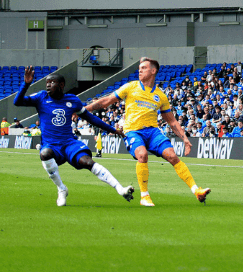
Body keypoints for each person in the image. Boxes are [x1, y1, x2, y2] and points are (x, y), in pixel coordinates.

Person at [83, 57, 209, 207]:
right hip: (133, 132)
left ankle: (196, 191)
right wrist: (85, 109)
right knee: (142, 155)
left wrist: (185, 138)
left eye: (143, 68)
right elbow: (108, 100)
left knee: (172, 156)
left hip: (153, 132)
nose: (140, 70)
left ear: (153, 71)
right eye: (139, 68)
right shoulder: (131, 87)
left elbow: (172, 121)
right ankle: (144, 196)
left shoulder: (160, 96)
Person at [14, 66, 133, 206]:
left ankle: (120, 189)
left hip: (69, 143)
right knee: (45, 154)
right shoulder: (41, 97)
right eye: (47, 83)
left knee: (88, 162)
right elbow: (17, 101)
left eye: (52, 82)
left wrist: (112, 129)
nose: (48, 85)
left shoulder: (73, 100)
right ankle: (61, 189)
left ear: (61, 85)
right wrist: (26, 84)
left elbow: (90, 118)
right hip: (51, 145)